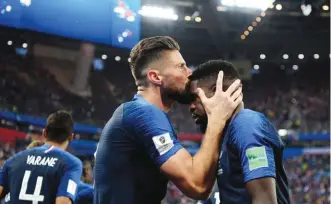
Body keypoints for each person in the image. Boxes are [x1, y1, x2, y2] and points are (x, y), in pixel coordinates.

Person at [94, 36, 243, 204]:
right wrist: (217, 118)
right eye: (181, 67)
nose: (189, 73)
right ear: (155, 77)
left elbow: (203, 189)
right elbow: (197, 185)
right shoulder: (143, 113)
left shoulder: (140, 113)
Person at [188, 60, 290, 204]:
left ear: (219, 90)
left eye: (194, 98)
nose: (191, 107)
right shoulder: (225, 134)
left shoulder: (247, 125)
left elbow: (265, 200)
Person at [0, 110, 83, 204]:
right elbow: (63, 202)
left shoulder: (13, 160)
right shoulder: (71, 163)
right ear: (71, 137)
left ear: (44, 133)